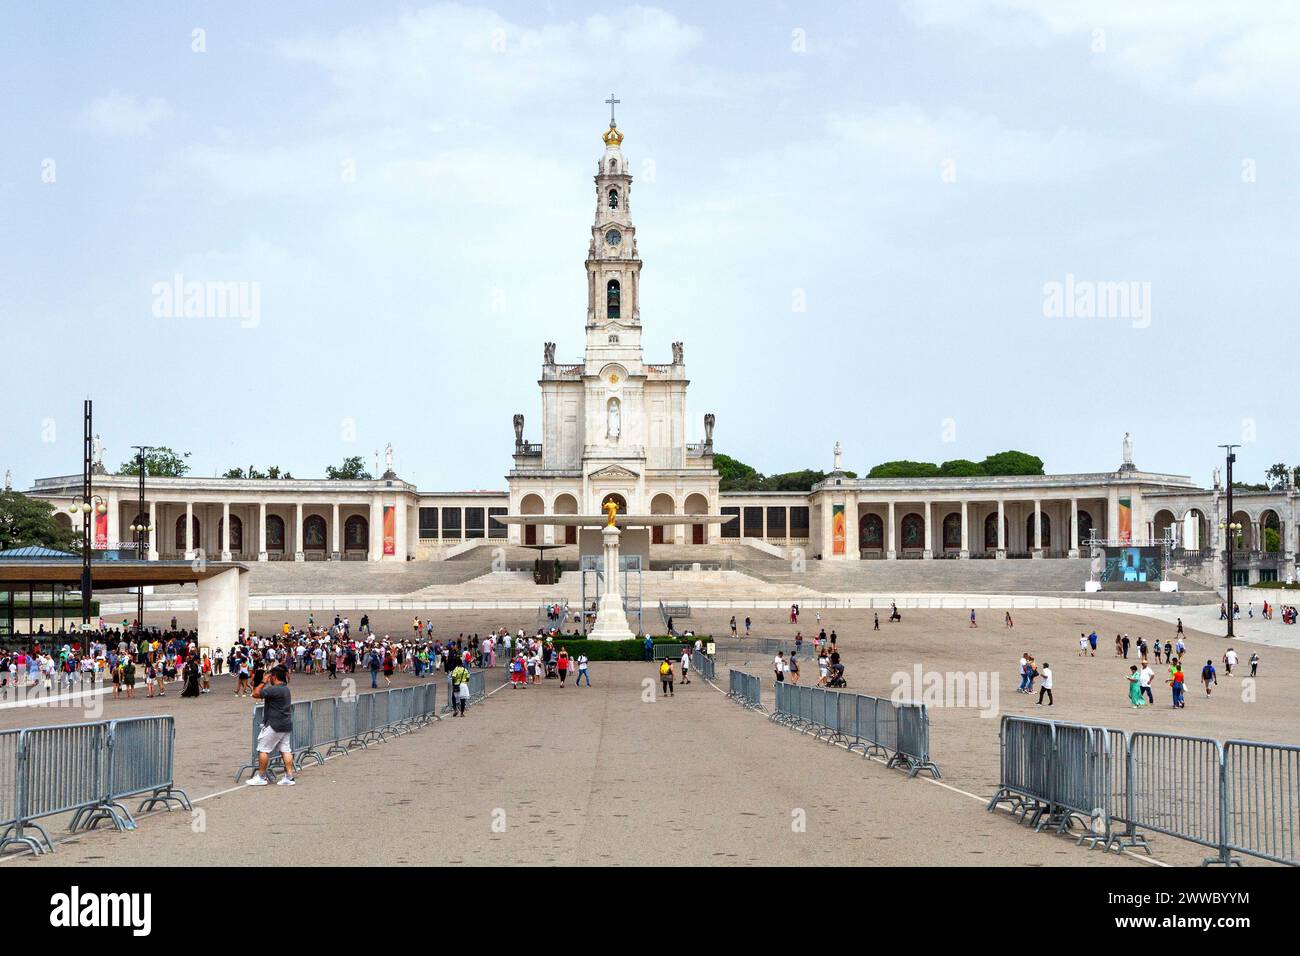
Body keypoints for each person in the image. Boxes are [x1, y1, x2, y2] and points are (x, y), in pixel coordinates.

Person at [246, 665, 295, 786]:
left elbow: (255, 693)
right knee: (285, 750)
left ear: (273, 676)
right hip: (285, 723)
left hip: (274, 724)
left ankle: (261, 776)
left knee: (263, 749)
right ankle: (289, 776)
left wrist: (263, 681)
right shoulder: (285, 689)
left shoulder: (274, 689)